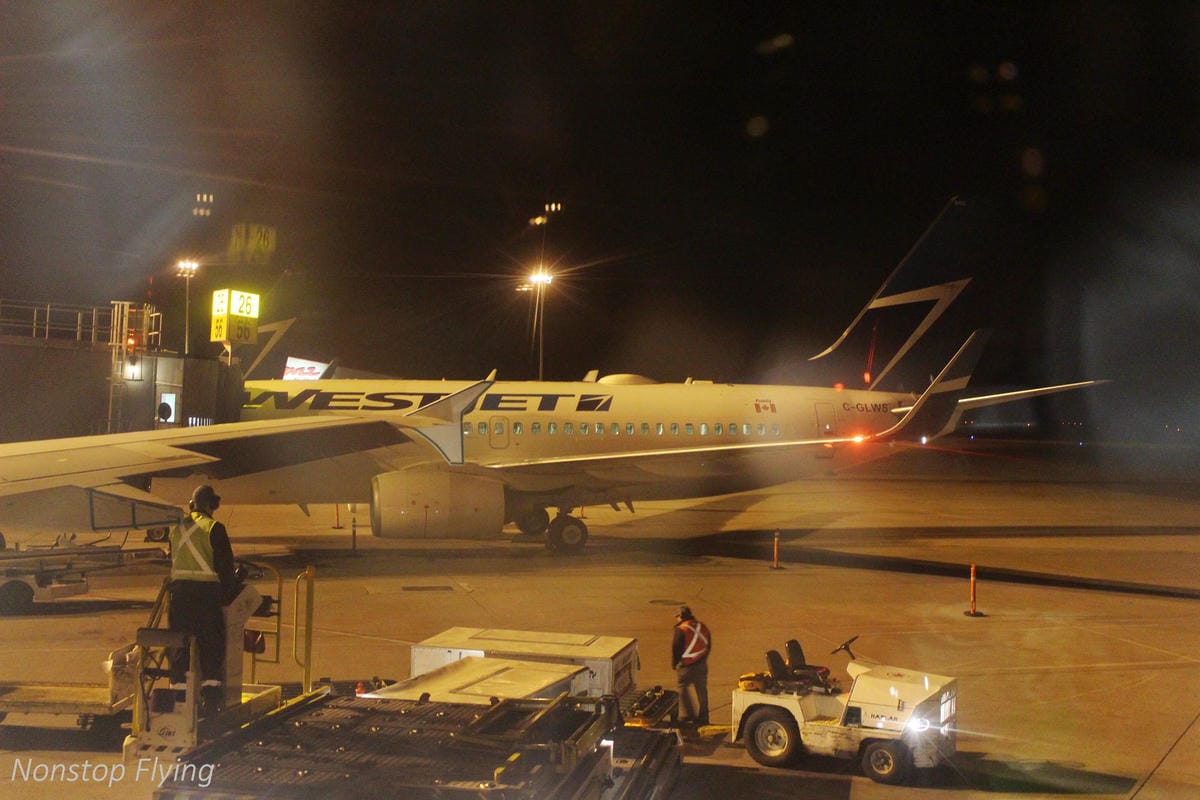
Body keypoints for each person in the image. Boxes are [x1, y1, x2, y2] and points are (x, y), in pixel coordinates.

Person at [169, 484, 238, 708]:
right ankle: (211, 698)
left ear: (191, 504)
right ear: (212, 505)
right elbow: (225, 569)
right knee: (211, 646)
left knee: (180, 645)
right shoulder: (214, 528)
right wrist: (230, 594)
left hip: (179, 595)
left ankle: (179, 696)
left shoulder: (176, 528)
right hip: (206, 596)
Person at [672, 605, 711, 726]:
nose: (677, 619)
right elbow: (708, 643)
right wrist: (703, 658)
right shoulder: (701, 626)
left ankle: (690, 715)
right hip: (701, 664)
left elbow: (676, 648)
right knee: (701, 690)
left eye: (677, 616)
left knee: (682, 687)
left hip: (687, 666)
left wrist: (675, 663)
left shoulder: (681, 629)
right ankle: (704, 717)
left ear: (682, 616)